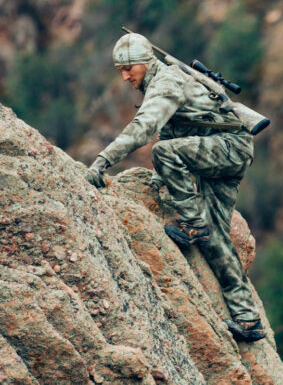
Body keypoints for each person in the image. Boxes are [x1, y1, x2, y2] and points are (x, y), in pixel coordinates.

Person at [85, 32, 265, 342]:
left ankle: (192, 225)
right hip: (230, 148)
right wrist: (160, 180)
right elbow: (172, 131)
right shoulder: (163, 82)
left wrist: (103, 161)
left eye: (130, 68)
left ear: (145, 62)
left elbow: (146, 129)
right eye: (121, 70)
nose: (126, 76)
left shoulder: (166, 82)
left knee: (164, 155)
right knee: (216, 237)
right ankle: (248, 319)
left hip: (228, 147)